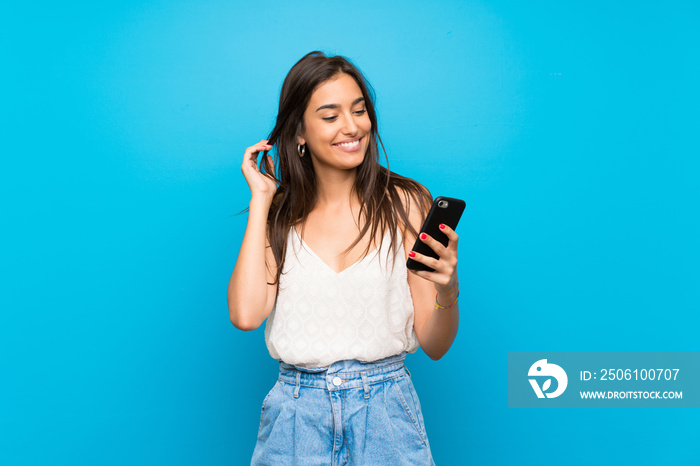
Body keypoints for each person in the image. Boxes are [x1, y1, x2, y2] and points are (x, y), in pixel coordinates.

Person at [228, 51, 460, 465]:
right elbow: (246, 315)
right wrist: (262, 200)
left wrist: (448, 290)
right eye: (330, 116)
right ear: (299, 131)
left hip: (386, 412)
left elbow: (435, 344)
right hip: (295, 417)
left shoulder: (405, 203)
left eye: (359, 111)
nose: (352, 127)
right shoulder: (279, 214)